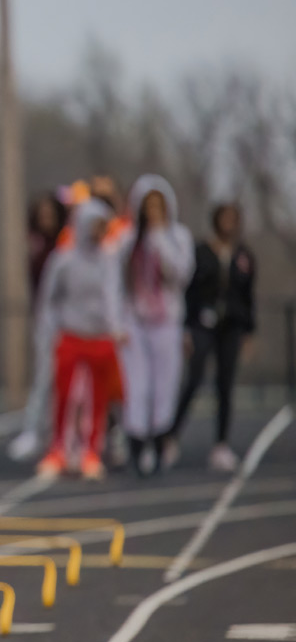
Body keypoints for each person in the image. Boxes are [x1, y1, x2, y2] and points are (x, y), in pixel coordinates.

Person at [35, 199, 124, 480]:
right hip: (71, 335)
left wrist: (116, 327)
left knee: (96, 400)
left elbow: (114, 297)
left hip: (99, 338)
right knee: (65, 396)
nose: (99, 233)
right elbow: (49, 299)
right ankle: (59, 450)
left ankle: (90, 452)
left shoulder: (109, 260)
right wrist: (48, 332)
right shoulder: (63, 259)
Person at [165, 202, 257, 471]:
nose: (229, 223)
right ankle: (170, 438)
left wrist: (249, 331)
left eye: (233, 218)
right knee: (193, 379)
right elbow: (189, 292)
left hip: (232, 326)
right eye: (225, 218)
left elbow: (248, 296)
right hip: (201, 324)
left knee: (225, 385)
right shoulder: (200, 252)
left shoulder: (244, 255)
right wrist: (185, 328)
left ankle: (221, 444)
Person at [117, 174, 194, 476]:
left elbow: (181, 274)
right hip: (135, 321)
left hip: (167, 321)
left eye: (157, 206)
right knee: (138, 386)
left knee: (165, 386)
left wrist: (160, 239)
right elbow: (115, 281)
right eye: (146, 206)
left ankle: (161, 444)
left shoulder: (177, 237)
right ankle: (136, 445)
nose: (151, 212)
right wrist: (117, 321)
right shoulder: (127, 240)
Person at [8, 191, 69, 461]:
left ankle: (66, 434)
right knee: (45, 376)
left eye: (50, 215)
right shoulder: (34, 244)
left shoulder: (67, 244)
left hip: (72, 317)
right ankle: (34, 430)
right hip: (46, 317)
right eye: (41, 215)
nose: (46, 220)